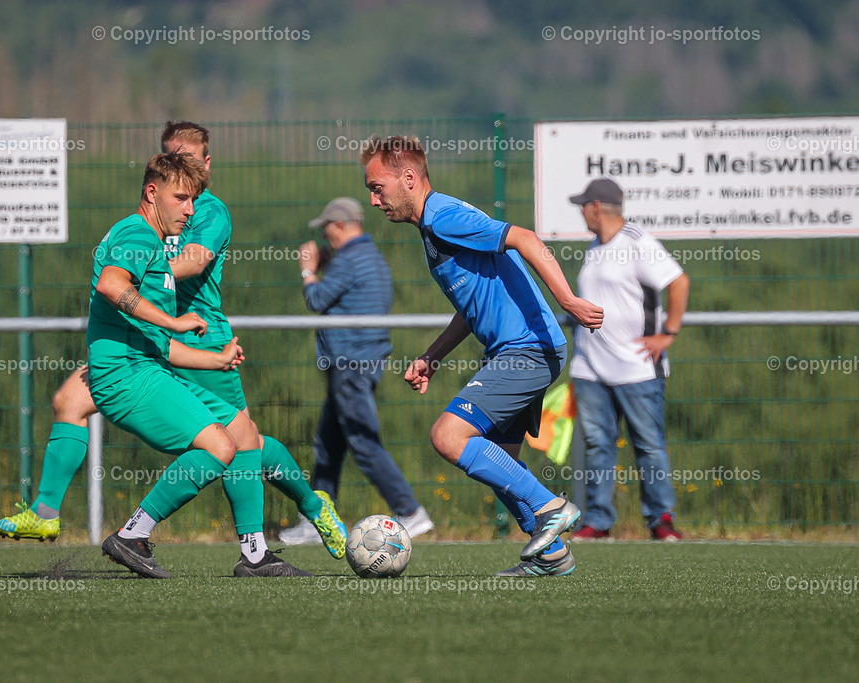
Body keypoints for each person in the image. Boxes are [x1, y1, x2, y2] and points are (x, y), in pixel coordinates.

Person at [0, 123, 346, 577]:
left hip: (190, 342)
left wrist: (194, 334)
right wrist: (153, 287)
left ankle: (295, 519)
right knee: (78, 402)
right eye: (179, 181)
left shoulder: (205, 213)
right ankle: (58, 514)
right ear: (157, 182)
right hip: (150, 351)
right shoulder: (140, 236)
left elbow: (192, 260)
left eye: (193, 171)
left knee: (242, 440)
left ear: (206, 164)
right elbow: (115, 283)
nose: (189, 203)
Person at [359, 135, 604, 577]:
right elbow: (471, 306)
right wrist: (432, 356)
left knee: (448, 438)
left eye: (377, 187)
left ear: (409, 179)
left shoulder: (443, 217)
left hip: (527, 349)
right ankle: (550, 555)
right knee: (497, 458)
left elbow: (525, 238)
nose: (374, 200)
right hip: (516, 350)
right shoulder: (436, 225)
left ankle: (553, 508)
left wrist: (566, 299)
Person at [279, 197, 433, 547]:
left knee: (363, 441)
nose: (326, 236)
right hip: (359, 363)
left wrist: (308, 269)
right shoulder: (372, 258)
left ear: (341, 225)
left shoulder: (349, 260)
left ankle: (409, 511)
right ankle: (317, 519)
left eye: (328, 228)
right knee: (329, 444)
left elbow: (317, 300)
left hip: (350, 365)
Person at [566, 178, 689, 542]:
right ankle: (598, 520)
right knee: (597, 444)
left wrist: (669, 333)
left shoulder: (637, 242)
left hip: (637, 367)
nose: (582, 213)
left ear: (597, 208)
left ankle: (660, 519)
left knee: (648, 444)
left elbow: (679, 282)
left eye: (583, 205)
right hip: (591, 367)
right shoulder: (593, 248)